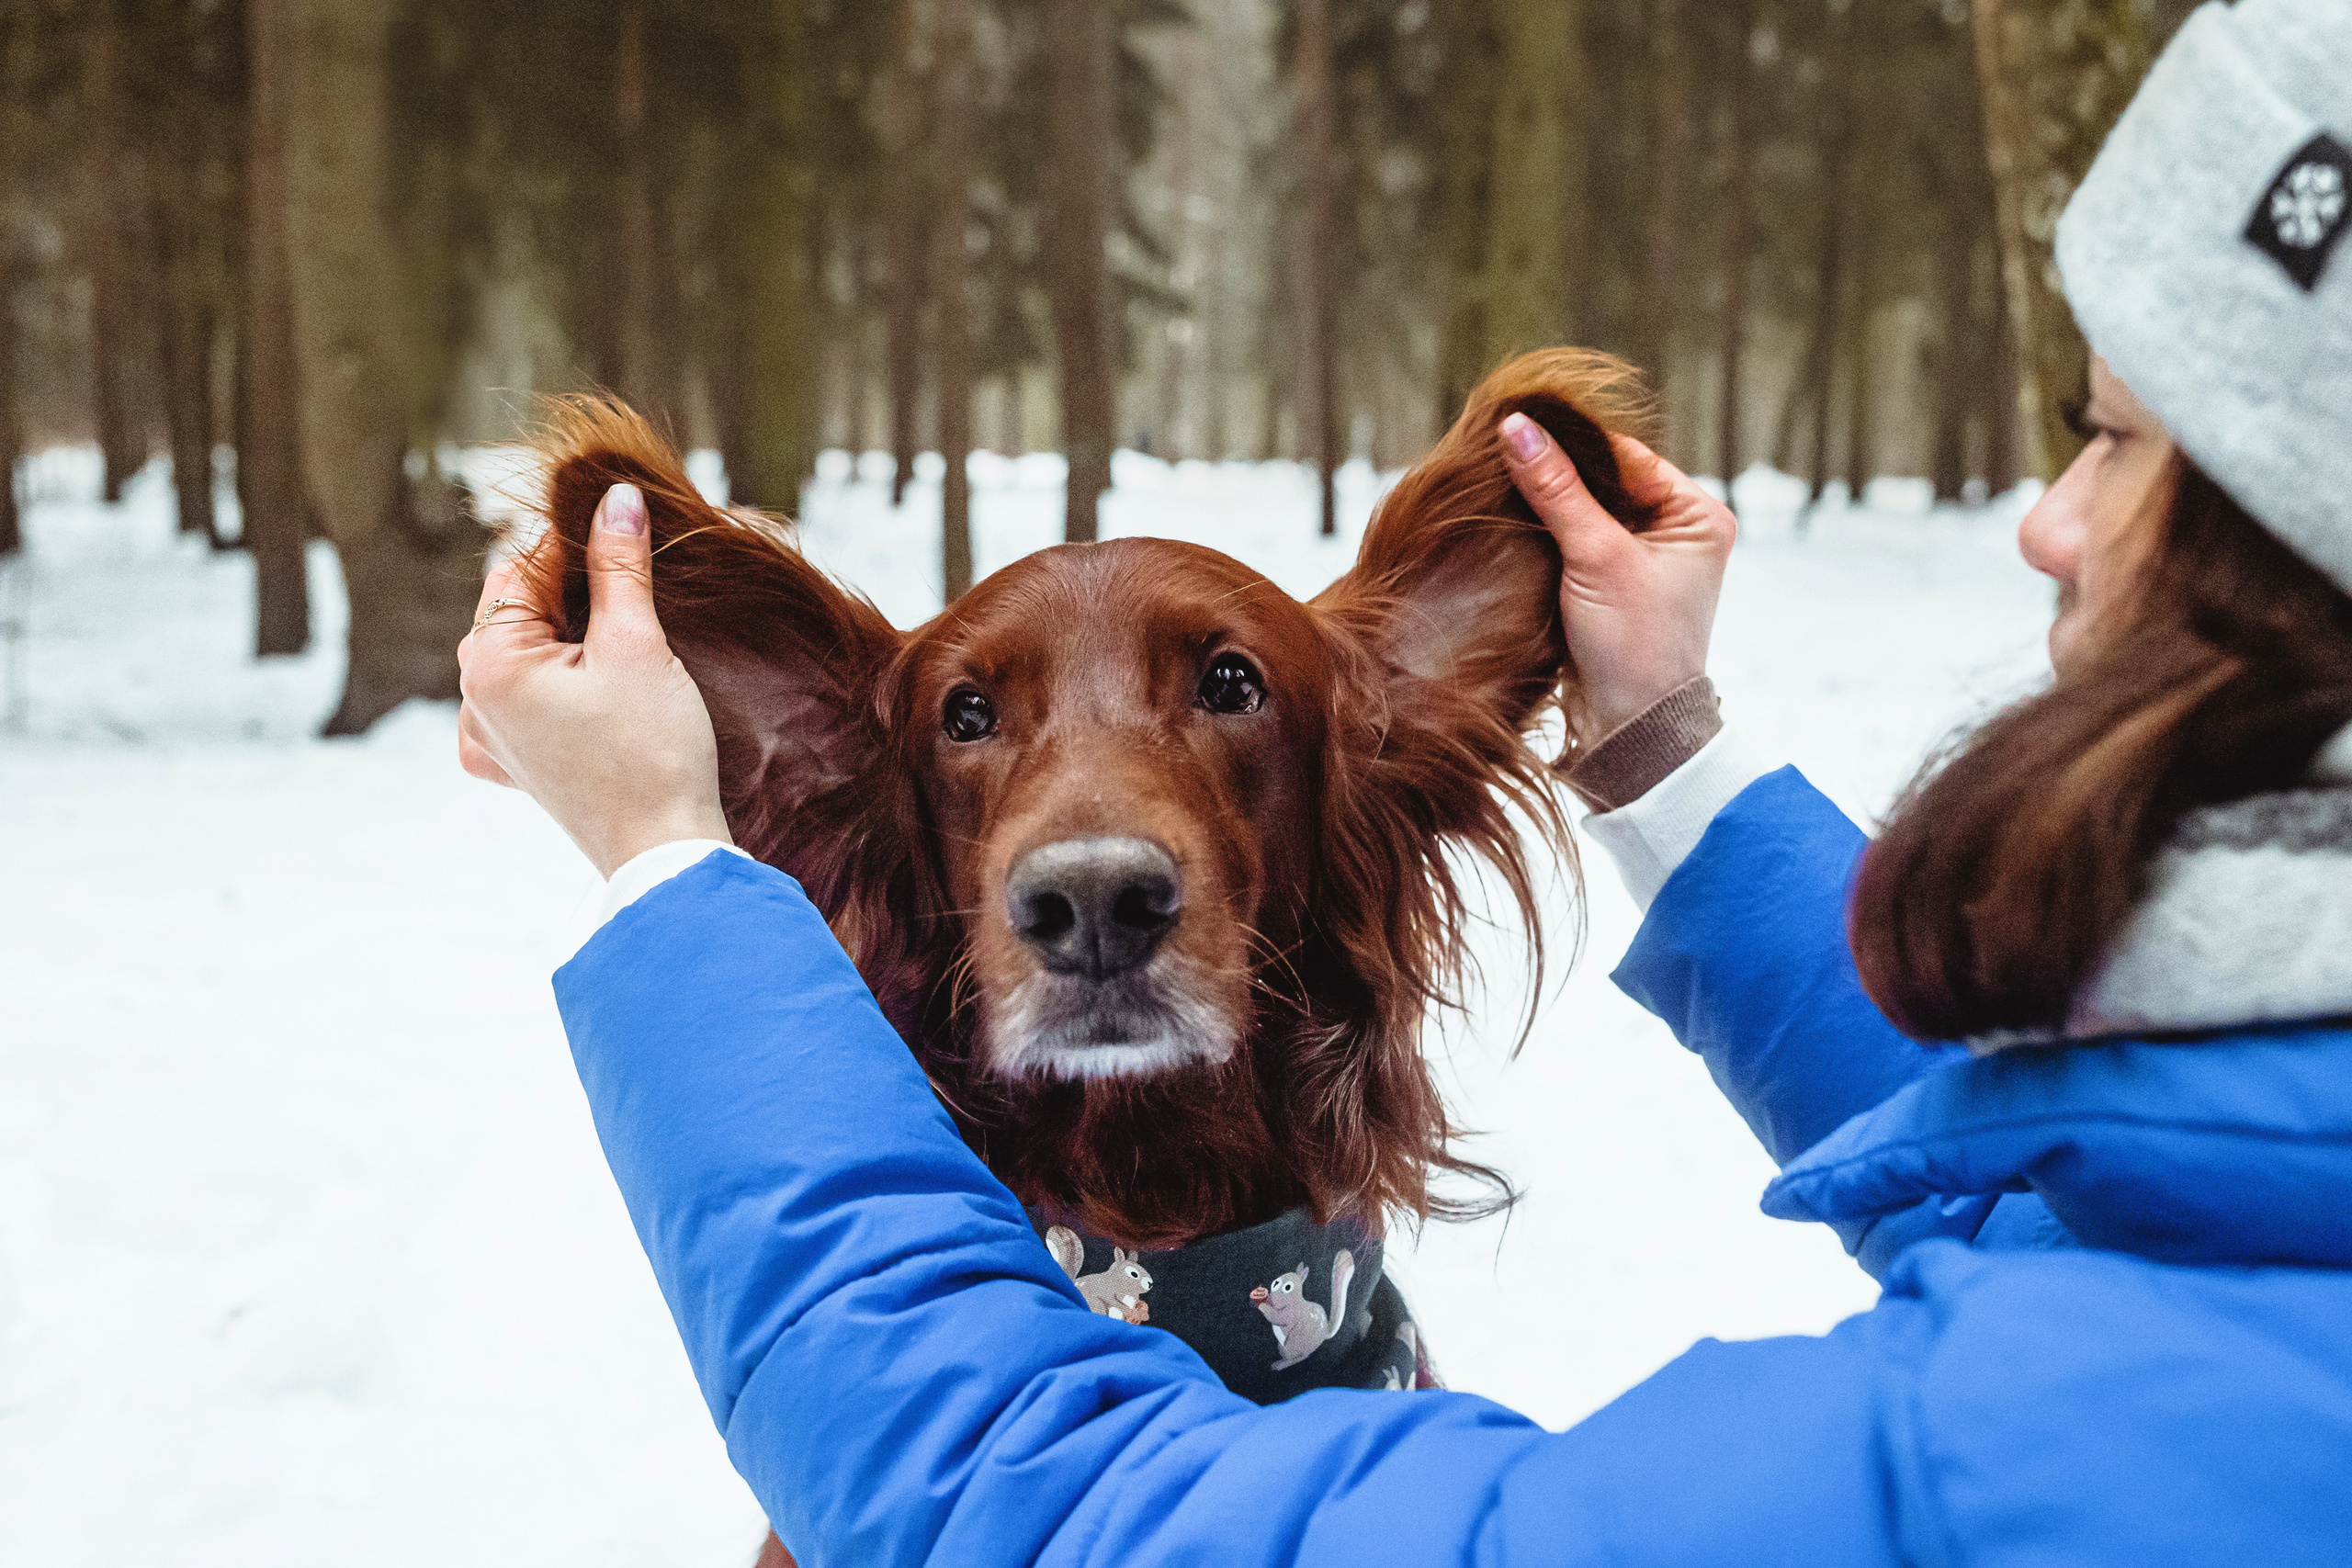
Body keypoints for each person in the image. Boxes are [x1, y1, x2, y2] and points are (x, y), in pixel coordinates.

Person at [458, 3, 2351, 1562]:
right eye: (972, 722)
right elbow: (2078, 1196)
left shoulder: (2005, 1471)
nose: (2044, 520)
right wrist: (1657, 739)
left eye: (2111, 441)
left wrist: (660, 862)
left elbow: (1039, 1509)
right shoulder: (2246, 1248)